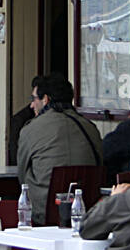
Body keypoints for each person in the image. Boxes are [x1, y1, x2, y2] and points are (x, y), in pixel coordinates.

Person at [15, 72, 103, 225]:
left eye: (33, 99)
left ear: (46, 99)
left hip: (44, 216)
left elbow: (22, 177)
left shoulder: (31, 130)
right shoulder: (91, 128)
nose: (31, 105)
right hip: (86, 212)